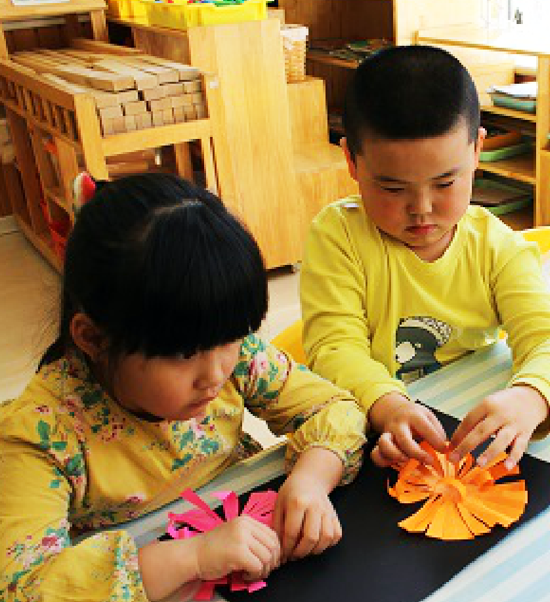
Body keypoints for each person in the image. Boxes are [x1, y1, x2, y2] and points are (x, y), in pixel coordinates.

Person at [0, 174, 367, 601]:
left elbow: (334, 408)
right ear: (93, 338)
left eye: (231, 337)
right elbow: (25, 587)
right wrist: (192, 557)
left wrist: (311, 479)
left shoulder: (236, 356)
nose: (215, 374)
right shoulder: (39, 436)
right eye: (183, 353)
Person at [300, 45, 550, 474]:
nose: (422, 209)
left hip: (464, 425)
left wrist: (530, 396)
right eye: (393, 188)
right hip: (374, 426)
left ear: (477, 150)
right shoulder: (338, 236)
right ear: (352, 162)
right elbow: (334, 349)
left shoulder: (496, 247)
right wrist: (389, 406)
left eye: (445, 183)